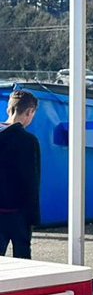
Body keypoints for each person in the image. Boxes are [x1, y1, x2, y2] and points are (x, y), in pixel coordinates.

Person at [0, 90, 41, 258]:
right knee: (23, 260)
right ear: (29, 112)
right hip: (18, 213)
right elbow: (31, 180)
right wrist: (34, 217)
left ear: (9, 109)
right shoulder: (28, 141)